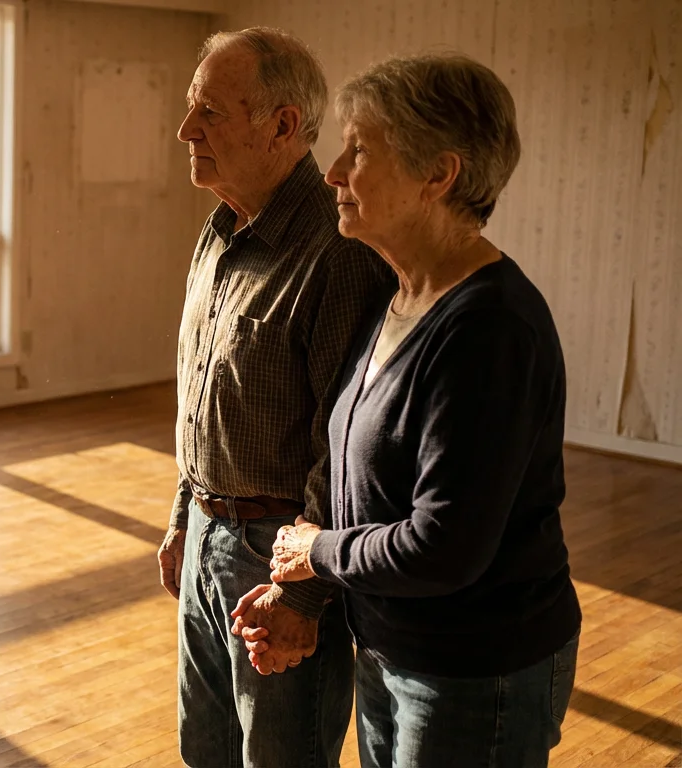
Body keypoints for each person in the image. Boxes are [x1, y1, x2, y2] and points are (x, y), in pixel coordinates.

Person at [251, 53, 582, 767]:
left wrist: (316, 555)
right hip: (393, 649)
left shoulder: (489, 329)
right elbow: (359, 480)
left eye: (360, 148)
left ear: (439, 175)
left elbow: (445, 545)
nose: (333, 171)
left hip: (470, 670)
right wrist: (300, 595)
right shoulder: (400, 297)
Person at [159, 27, 391, 767]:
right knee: (208, 751)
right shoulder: (222, 227)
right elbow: (203, 392)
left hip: (278, 558)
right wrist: (182, 517)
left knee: (281, 758)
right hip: (204, 532)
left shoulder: (338, 251)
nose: (185, 129)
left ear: (283, 125)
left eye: (211, 112)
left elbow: (346, 446)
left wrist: (301, 596)